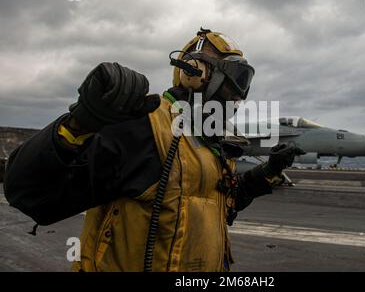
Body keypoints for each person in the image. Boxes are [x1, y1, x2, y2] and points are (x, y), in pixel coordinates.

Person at [3, 28, 302, 272]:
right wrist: (80, 123)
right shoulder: (143, 127)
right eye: (233, 82)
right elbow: (30, 194)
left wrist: (267, 173)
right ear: (194, 73)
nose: (237, 95)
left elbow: (220, 203)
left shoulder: (210, 142)